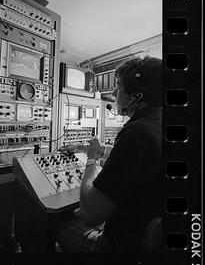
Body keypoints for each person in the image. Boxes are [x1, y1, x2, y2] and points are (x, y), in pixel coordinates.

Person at [56, 56, 162, 255]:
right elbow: (138, 159)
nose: (113, 92)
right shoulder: (158, 125)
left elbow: (90, 214)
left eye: (118, 86)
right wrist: (83, 147)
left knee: (57, 220)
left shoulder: (137, 132)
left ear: (136, 95)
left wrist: (92, 160)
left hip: (119, 248)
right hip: (153, 243)